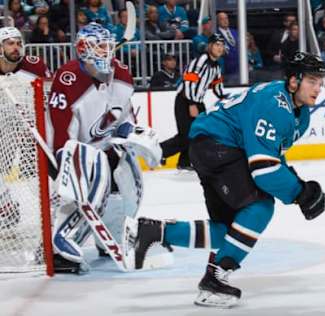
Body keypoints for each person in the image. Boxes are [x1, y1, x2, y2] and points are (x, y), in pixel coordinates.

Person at [133, 52, 325, 308]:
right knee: (259, 207)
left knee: (229, 230)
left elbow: (269, 156)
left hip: (210, 147)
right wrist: (297, 192)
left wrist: (296, 184)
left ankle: (155, 231)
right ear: (294, 81)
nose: (318, 88)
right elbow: (263, 170)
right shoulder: (275, 104)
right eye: (312, 81)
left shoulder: (298, 113)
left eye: (320, 81)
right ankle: (215, 278)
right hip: (217, 148)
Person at [46, 22, 163, 273]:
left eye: (109, 46)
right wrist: (68, 163)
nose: (107, 52)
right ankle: (62, 243)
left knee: (130, 178)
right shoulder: (68, 79)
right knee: (95, 172)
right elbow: (59, 136)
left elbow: (127, 117)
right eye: (100, 47)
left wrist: (132, 132)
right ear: (83, 49)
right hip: (68, 152)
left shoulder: (120, 74)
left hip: (103, 147)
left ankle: (109, 237)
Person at [0, 26, 51, 230]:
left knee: (37, 176)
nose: (16, 48)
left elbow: (49, 98)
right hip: (4, 127)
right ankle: (6, 207)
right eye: (10, 43)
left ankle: (52, 215)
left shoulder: (35, 66)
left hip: (33, 129)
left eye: (19, 43)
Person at [159, 33, 226, 170]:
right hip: (185, 100)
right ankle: (159, 151)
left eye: (222, 45)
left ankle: (184, 162)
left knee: (197, 134)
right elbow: (189, 81)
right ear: (210, 46)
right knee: (185, 135)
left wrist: (225, 98)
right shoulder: (201, 60)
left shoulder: (217, 66)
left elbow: (217, 85)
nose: (220, 48)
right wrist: (191, 103)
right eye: (217, 45)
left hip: (198, 101)